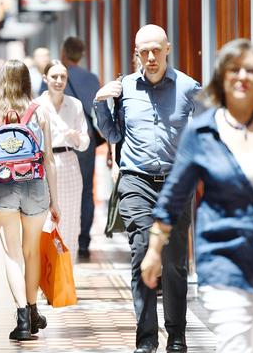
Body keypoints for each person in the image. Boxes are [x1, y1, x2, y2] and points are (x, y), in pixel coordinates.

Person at [141, 39, 253, 353]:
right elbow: (174, 196)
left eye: (250, 70)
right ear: (220, 78)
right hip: (222, 257)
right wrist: (155, 248)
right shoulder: (201, 133)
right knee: (234, 342)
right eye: (233, 69)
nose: (242, 76)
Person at [93, 24, 201, 353]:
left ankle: (177, 335)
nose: (151, 57)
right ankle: (146, 340)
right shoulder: (123, 88)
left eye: (156, 50)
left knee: (172, 261)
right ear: (135, 53)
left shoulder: (188, 88)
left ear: (168, 49)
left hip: (176, 184)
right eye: (144, 51)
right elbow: (111, 135)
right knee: (142, 253)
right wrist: (99, 103)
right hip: (136, 180)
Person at [0, 59, 60, 341]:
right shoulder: (40, 112)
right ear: (27, 81)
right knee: (31, 252)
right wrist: (55, 201)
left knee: (12, 255)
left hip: (4, 187)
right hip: (35, 185)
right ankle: (34, 310)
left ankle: (23, 319)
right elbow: (48, 159)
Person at [47, 37, 101, 259]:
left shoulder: (52, 75)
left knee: (54, 193)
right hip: (84, 139)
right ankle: (84, 240)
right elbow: (97, 111)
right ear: (82, 53)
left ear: (63, 52)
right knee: (86, 191)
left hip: (58, 147)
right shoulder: (91, 79)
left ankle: (57, 239)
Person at [35, 59, 89, 260]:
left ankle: (67, 275)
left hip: (68, 162)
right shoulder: (37, 105)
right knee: (44, 222)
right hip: (43, 165)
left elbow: (84, 143)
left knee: (71, 221)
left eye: (63, 77)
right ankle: (45, 278)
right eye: (54, 76)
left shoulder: (75, 105)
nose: (59, 81)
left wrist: (76, 137)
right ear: (45, 78)